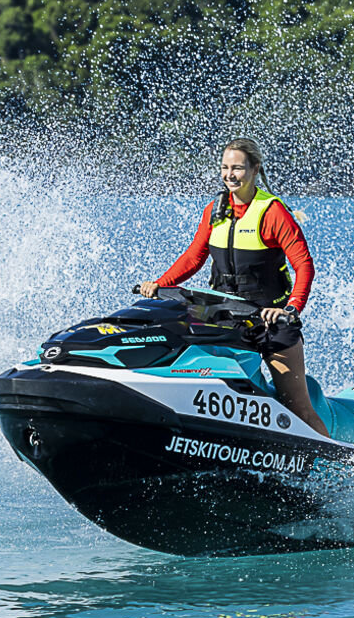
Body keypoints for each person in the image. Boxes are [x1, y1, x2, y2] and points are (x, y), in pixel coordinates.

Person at [135, 138, 331, 438]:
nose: (230, 175)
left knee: (297, 408)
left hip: (271, 322)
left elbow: (304, 265)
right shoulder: (215, 210)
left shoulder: (273, 213)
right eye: (225, 168)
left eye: (237, 168)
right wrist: (161, 284)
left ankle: (334, 466)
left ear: (254, 170)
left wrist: (290, 308)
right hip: (222, 316)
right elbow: (193, 257)